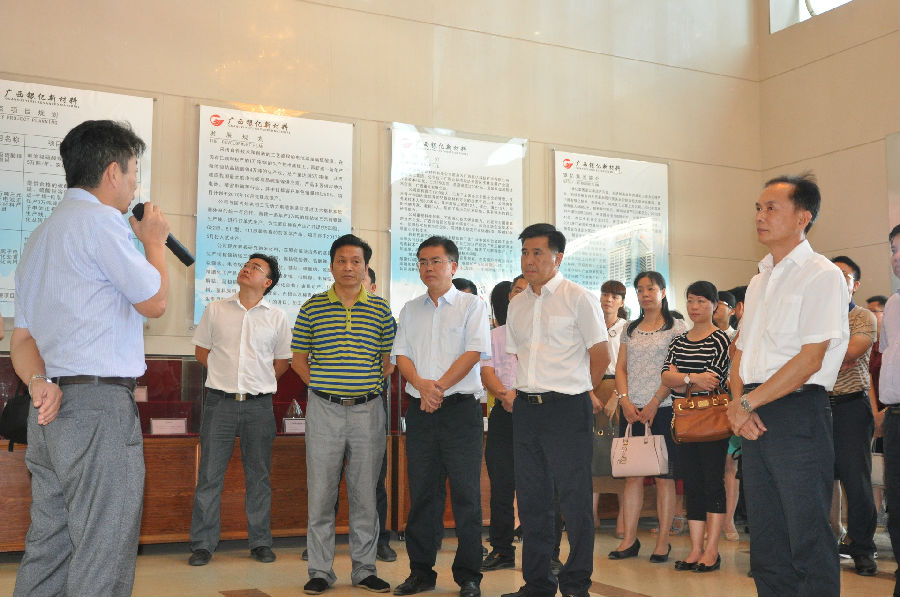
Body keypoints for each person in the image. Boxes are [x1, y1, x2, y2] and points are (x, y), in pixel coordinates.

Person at [11, 119, 169, 596]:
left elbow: (22, 339)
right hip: (98, 410)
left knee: (50, 545)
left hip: (48, 409)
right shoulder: (102, 223)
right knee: (103, 546)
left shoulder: (40, 236)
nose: (135, 186)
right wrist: (154, 242)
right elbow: (155, 301)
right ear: (113, 172)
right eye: (134, 173)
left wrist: (37, 383)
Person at [726, 173, 849, 597]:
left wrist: (747, 404)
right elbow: (741, 353)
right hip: (752, 410)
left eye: (771, 208)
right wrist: (737, 403)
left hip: (797, 412)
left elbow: (811, 357)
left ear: (803, 217)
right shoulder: (759, 280)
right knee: (767, 538)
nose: (760, 216)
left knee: (806, 533)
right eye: (758, 208)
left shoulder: (822, 274)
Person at [501, 223, 610, 597]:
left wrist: (579, 388)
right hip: (526, 410)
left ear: (557, 257)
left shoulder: (577, 297)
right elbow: (520, 356)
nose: (529, 260)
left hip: (567, 409)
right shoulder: (517, 303)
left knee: (575, 500)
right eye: (524, 253)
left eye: (537, 253)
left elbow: (601, 354)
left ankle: (576, 584)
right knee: (533, 501)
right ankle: (537, 583)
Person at [292, 234, 396, 595]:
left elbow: (387, 362)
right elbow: (299, 360)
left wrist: (364, 388)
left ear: (365, 267)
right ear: (332, 264)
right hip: (324, 410)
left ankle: (365, 569)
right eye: (342, 260)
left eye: (356, 261)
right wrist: (324, 387)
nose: (348, 267)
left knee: (365, 494)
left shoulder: (381, 310)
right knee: (321, 493)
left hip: (368, 410)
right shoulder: (312, 307)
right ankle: (320, 571)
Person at [391, 236, 490, 597]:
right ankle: (421, 572)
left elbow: (473, 352)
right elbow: (401, 355)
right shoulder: (409, 309)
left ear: (453, 266)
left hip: (460, 412)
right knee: (423, 494)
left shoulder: (471, 305)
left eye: (435, 261)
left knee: (466, 495)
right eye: (422, 261)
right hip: (421, 413)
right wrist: (421, 385)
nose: (428, 268)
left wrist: (438, 388)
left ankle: (469, 576)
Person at [188, 254, 292, 567]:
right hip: (219, 403)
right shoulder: (215, 309)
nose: (247, 268)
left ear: (268, 282)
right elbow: (201, 352)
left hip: (259, 406)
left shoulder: (277, 317)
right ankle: (203, 545)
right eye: (247, 264)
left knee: (258, 477)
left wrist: (258, 382)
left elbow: (282, 362)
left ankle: (260, 542)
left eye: (256, 267)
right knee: (209, 475)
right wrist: (225, 376)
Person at [608, 271, 686, 565]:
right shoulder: (630, 328)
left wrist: (655, 402)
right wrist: (624, 401)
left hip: (663, 409)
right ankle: (629, 540)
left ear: (663, 292)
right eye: (640, 290)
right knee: (633, 477)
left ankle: (663, 542)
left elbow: (675, 369)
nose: (645, 294)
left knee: (665, 478)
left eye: (650, 289)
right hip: (632, 411)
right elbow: (621, 368)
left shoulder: (676, 327)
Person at [661, 281, 731, 572]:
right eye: (690, 300)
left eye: (702, 301)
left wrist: (683, 378)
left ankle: (712, 550)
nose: (694, 306)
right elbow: (666, 377)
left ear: (714, 305)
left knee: (712, 482)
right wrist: (692, 378)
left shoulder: (721, 339)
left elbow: (712, 380)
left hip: (712, 419)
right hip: (684, 421)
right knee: (691, 483)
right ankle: (695, 548)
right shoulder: (678, 340)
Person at [826, 255, 879, 574]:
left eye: (843, 276)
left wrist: (820, 354)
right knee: (816, 480)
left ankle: (862, 547)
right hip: (816, 406)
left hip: (851, 407)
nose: (834, 279)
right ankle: (821, 543)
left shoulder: (863, 316)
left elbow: (851, 352)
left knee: (855, 481)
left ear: (855, 285)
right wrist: (834, 355)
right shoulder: (814, 316)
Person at [480, 282, 519, 572]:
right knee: (501, 486)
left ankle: (550, 552)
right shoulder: (495, 335)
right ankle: (502, 550)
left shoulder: (547, 334)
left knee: (544, 486)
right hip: (504, 414)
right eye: (516, 290)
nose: (521, 294)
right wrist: (505, 396)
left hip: (539, 413)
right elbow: (487, 372)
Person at [592, 280, 628, 538]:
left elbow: (631, 367)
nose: (608, 299)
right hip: (592, 390)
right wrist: (589, 393)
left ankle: (623, 519)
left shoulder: (628, 328)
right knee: (592, 452)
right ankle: (591, 515)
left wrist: (618, 396)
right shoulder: (591, 324)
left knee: (621, 454)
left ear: (622, 302)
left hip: (620, 391)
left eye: (615, 296)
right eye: (605, 294)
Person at [876, 224, 900, 597]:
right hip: (895, 418)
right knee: (896, 506)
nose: (897, 257)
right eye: (893, 250)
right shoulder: (893, 305)